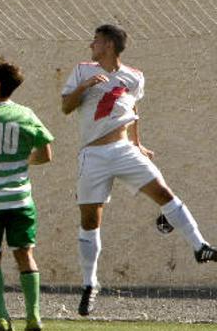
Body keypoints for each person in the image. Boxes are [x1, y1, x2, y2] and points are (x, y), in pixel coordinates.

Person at [61, 24, 217, 316]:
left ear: (108, 45)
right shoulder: (83, 71)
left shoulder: (134, 77)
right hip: (92, 154)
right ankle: (89, 284)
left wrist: (138, 143)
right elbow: (65, 108)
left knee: (164, 193)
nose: (91, 45)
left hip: (124, 150)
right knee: (90, 220)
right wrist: (84, 87)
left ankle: (200, 246)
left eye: (95, 41)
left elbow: (131, 111)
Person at [0, 55, 53, 331]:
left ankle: (2, 317)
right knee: (25, 255)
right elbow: (46, 154)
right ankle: (33, 315)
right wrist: (21, 161)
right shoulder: (26, 114)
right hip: (20, 199)